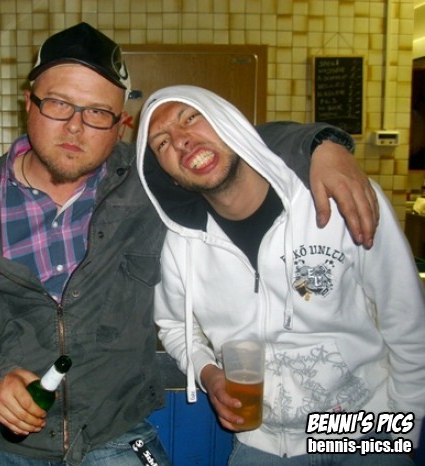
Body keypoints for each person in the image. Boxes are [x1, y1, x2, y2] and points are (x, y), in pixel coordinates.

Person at [0, 23, 379, 466]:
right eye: (59, 104)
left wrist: (321, 144)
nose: (75, 127)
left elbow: (232, 145)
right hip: (5, 446)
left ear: (121, 124)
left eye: (97, 113)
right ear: (28, 103)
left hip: (115, 435)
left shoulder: (149, 184)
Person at [135, 84, 425, 465]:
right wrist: (207, 373)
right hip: (266, 443)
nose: (181, 140)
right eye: (162, 143)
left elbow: (406, 319)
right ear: (169, 176)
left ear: (229, 123)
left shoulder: (340, 198)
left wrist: (402, 431)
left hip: (365, 431)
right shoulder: (180, 242)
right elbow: (175, 326)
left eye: (191, 118)